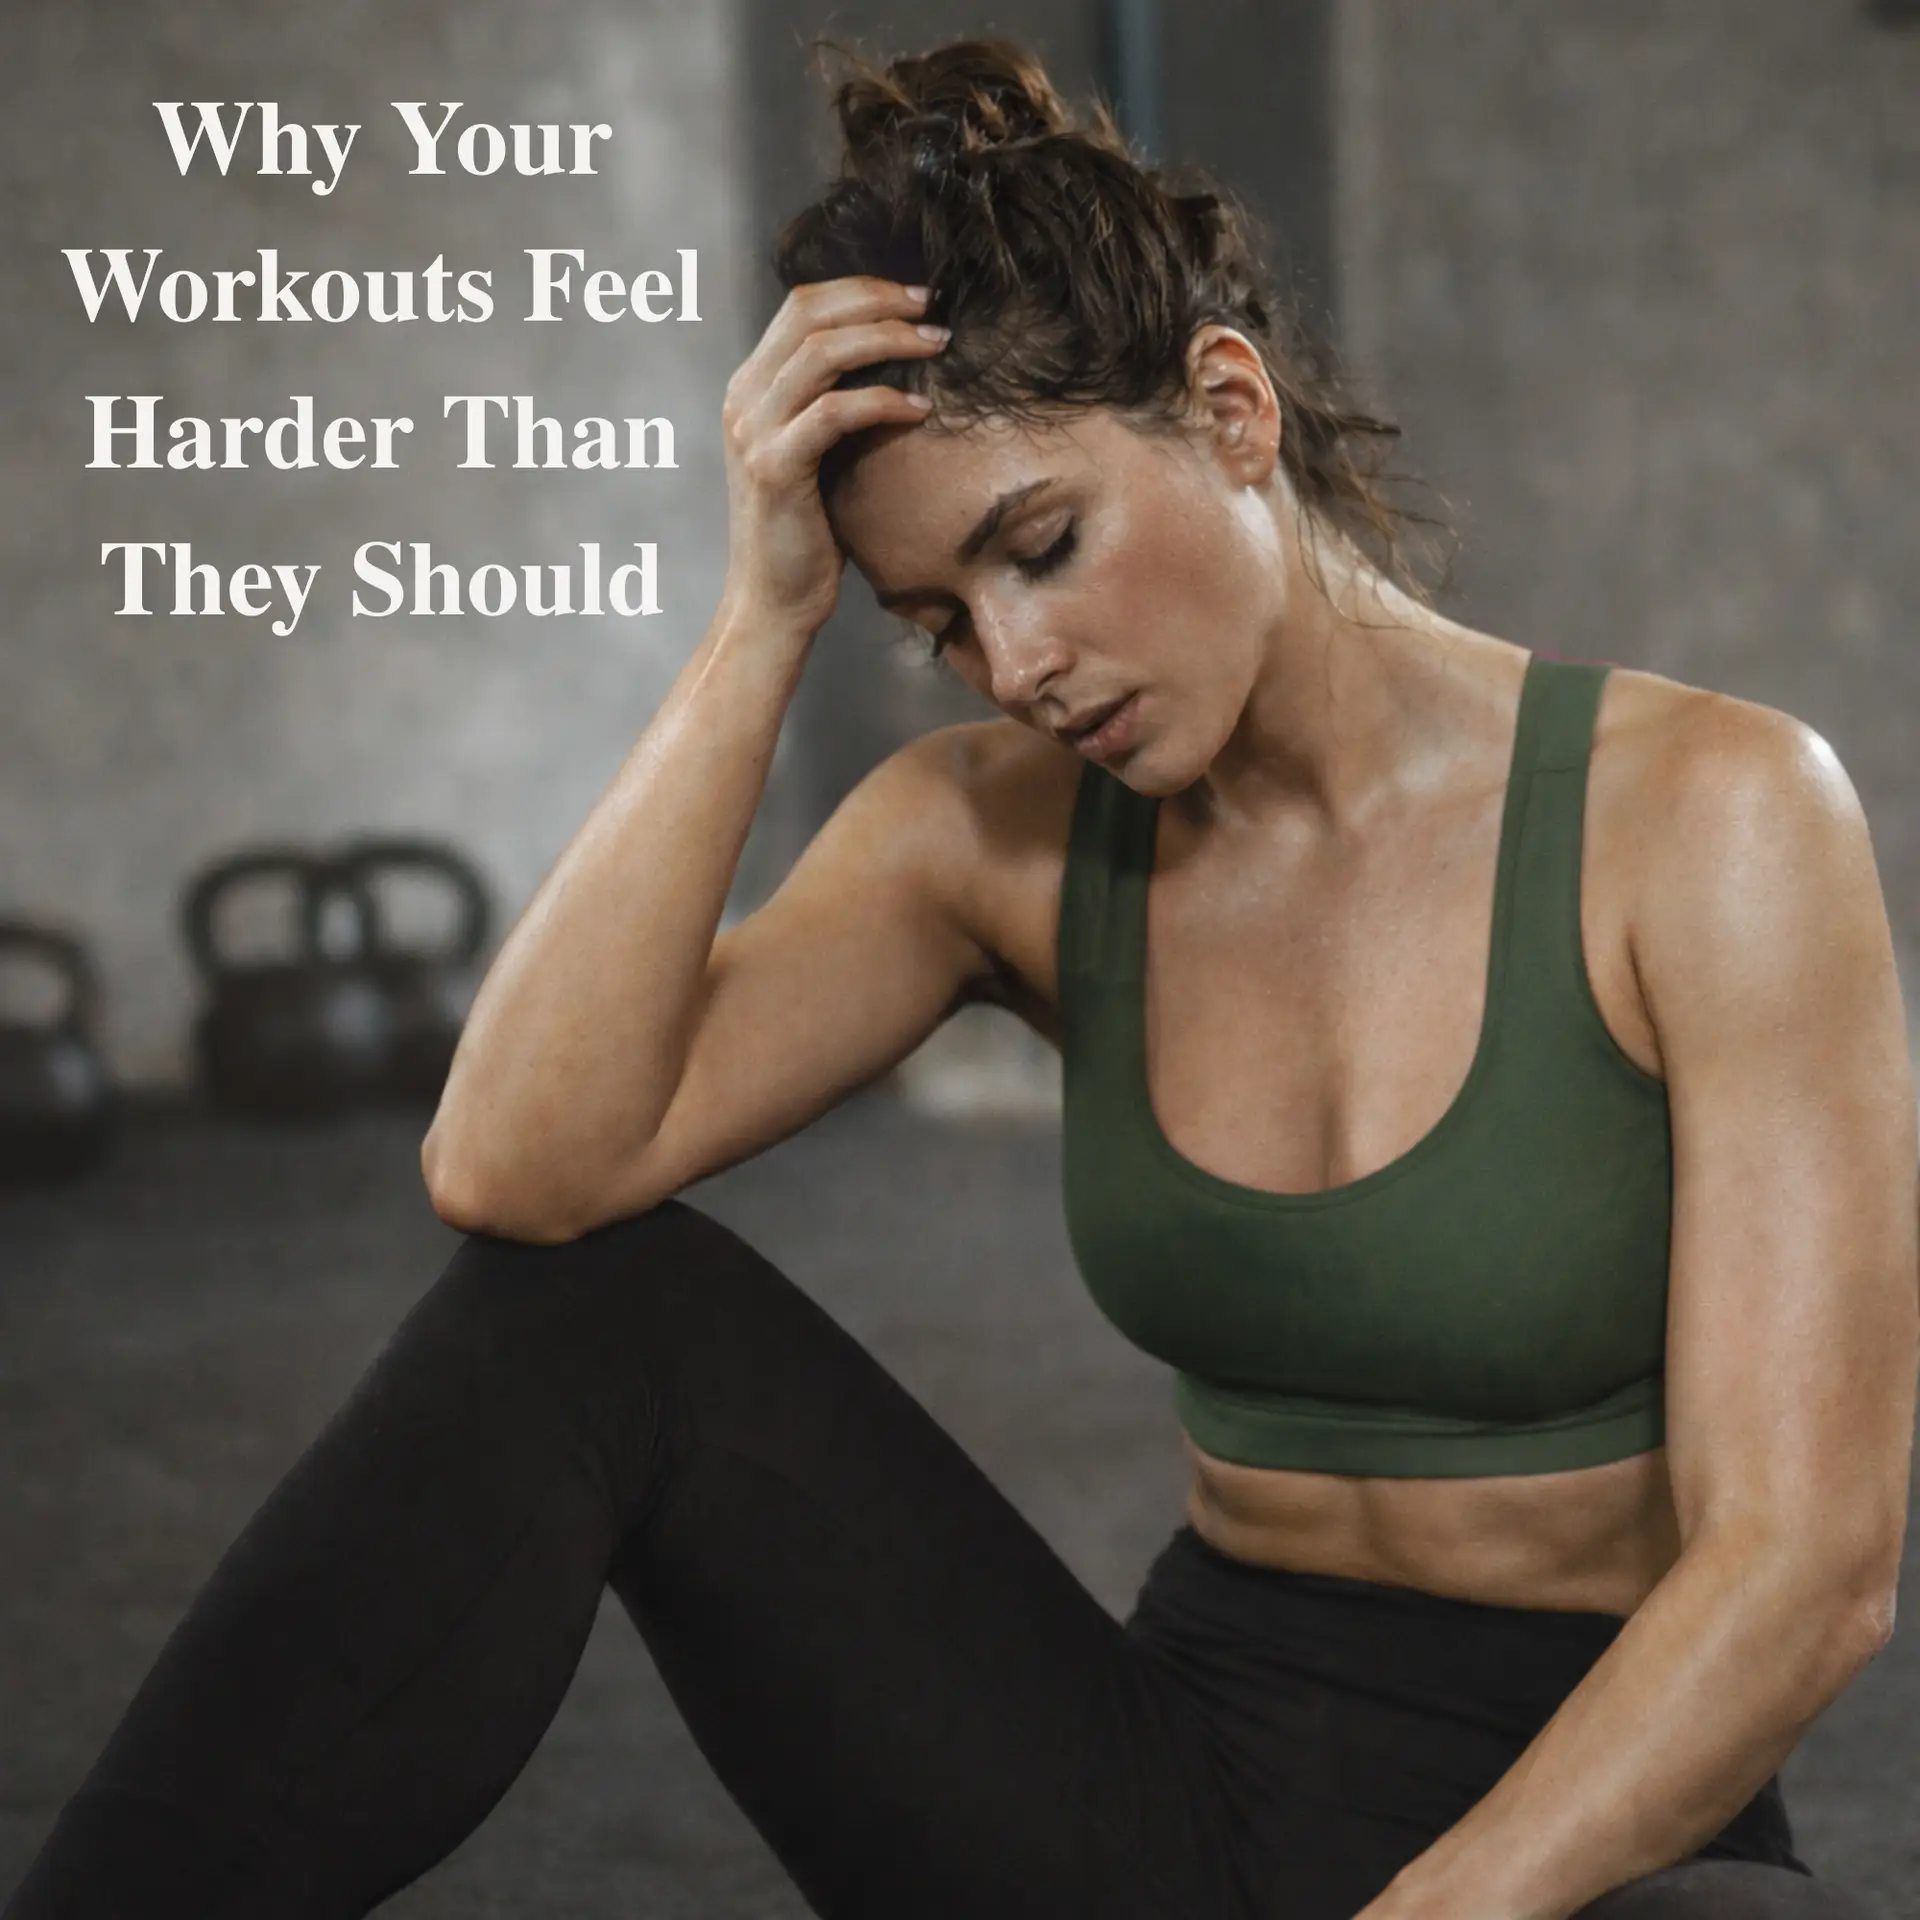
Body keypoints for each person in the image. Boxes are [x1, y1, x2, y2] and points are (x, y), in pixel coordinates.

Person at [8, 35, 1915, 1920]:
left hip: (1600, 1846)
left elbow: (1806, 1562)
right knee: (583, 1321)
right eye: (939, 622)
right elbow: (517, 1169)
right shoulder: (984, 838)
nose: (1016, 665)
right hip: (1164, 1779)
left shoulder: (1713, 817)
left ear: (1232, 409)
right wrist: (761, 618)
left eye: (1044, 546)